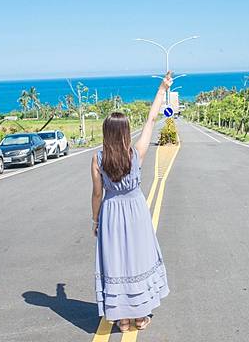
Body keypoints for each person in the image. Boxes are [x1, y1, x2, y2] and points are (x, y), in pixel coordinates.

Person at [91, 71, 173, 332]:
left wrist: (96, 220)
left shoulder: (98, 159)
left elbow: (96, 194)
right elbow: (151, 119)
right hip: (136, 210)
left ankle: (123, 320)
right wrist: (162, 89)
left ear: (106, 133)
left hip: (111, 211)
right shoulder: (136, 154)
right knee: (138, 260)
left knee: (116, 262)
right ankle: (139, 316)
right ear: (126, 132)